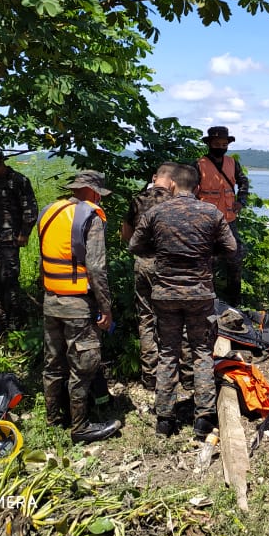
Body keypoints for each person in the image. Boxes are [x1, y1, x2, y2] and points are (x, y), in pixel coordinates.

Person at [130, 163, 237, 440]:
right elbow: (231, 248)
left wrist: (162, 247)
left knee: (168, 352)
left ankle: (164, 419)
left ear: (173, 185)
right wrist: (205, 250)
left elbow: (135, 246)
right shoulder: (211, 213)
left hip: (165, 293)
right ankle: (203, 419)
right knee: (201, 351)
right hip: (200, 293)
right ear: (198, 188)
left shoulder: (156, 212)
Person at [39, 170, 120, 443]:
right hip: (77, 304)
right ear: (93, 191)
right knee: (82, 366)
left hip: (51, 299)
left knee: (53, 363)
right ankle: (81, 426)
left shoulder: (49, 211)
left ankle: (53, 419)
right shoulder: (90, 216)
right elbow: (96, 268)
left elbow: (42, 258)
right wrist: (106, 308)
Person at [121, 162, 176, 390]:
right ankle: (173, 373)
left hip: (142, 264)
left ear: (154, 178)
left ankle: (150, 376)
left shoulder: (137, 200)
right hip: (167, 266)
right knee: (172, 319)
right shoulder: (175, 203)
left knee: (145, 318)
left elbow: (125, 234)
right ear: (173, 182)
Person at [0, 149, 38, 331]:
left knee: (9, 278)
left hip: (9, 238)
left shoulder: (18, 181)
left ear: (0, 164)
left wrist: (25, 233)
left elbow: (30, 208)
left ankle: (14, 319)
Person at [195, 127, 249, 306]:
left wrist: (241, 200)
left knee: (235, 258)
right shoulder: (198, 164)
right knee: (208, 261)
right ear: (209, 143)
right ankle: (209, 301)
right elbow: (191, 191)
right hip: (206, 221)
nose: (221, 146)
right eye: (217, 143)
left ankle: (235, 300)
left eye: (224, 144)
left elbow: (243, 181)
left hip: (229, 219)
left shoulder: (232, 163)